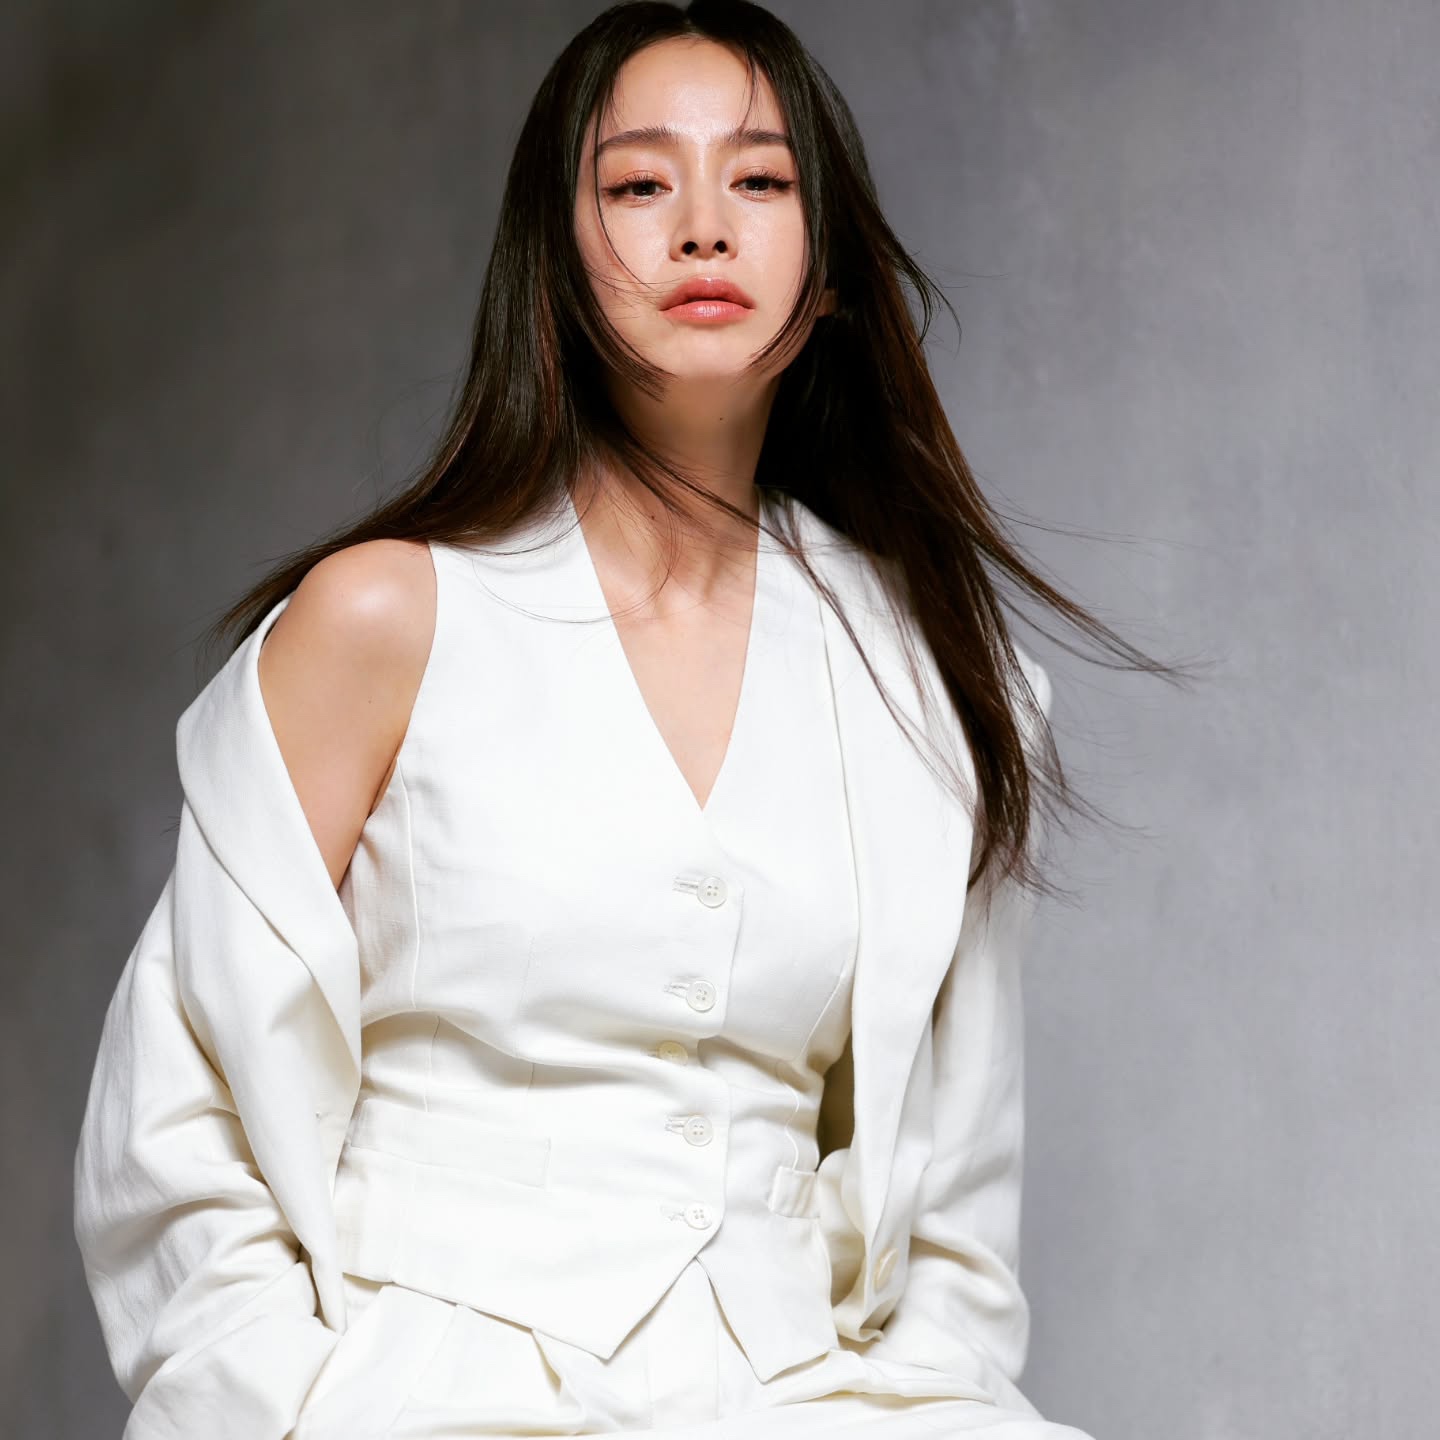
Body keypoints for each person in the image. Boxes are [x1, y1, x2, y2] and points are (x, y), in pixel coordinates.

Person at [74, 3, 1178, 1437]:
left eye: (762, 179)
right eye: (642, 182)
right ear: (558, 254)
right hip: (423, 1393)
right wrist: (290, 1411)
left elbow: (959, 1209)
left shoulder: (938, 682)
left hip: (805, 1399)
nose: (704, 227)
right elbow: (175, 1112)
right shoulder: (384, 619)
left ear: (830, 270)